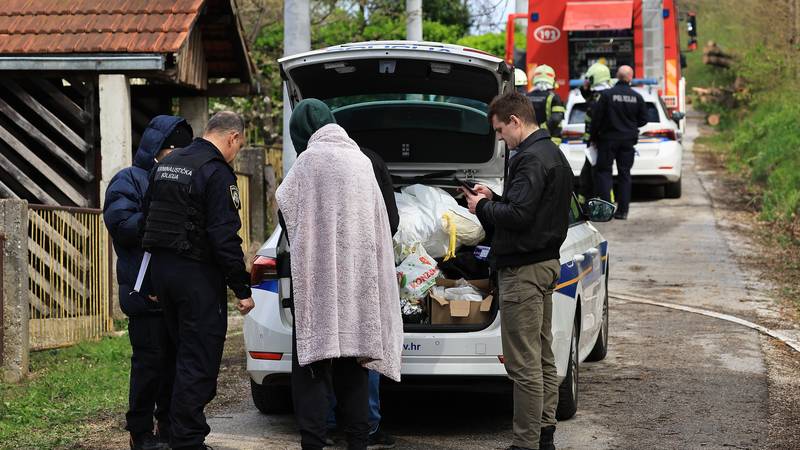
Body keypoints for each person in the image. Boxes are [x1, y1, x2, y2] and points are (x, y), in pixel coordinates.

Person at [277, 98, 403, 450]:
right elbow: (385, 221)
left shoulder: (307, 162)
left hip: (318, 288)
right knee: (355, 370)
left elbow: (284, 209)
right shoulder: (362, 161)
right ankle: (358, 443)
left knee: (312, 370)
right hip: (359, 286)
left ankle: (314, 443)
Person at [461, 92, 573, 450]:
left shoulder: (529, 159)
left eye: (499, 131)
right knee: (541, 354)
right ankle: (544, 433)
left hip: (523, 272)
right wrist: (495, 196)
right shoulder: (552, 153)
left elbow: (520, 217)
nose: (499, 139)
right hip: (543, 265)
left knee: (522, 364)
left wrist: (481, 208)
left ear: (515, 121)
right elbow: (530, 208)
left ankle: (526, 443)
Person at [141, 111, 255, 450]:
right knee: (198, 359)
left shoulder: (167, 163)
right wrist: (242, 288)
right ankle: (188, 441)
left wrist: (150, 282)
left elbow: (147, 220)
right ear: (233, 137)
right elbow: (224, 236)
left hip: (162, 274)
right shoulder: (216, 172)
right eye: (240, 145)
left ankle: (173, 432)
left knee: (176, 354)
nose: (236, 152)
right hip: (197, 279)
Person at [103, 115, 193, 450]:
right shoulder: (129, 179)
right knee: (148, 368)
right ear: (159, 149)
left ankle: (168, 428)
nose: (177, 159)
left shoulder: (181, 180)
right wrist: (158, 215)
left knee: (174, 367)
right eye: (174, 151)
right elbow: (121, 222)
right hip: (143, 292)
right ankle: (140, 433)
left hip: (173, 293)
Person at [327, 144, 399, 449]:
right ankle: (368, 426)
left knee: (328, 348)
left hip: (326, 273)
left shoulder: (315, 162)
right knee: (366, 346)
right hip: (364, 271)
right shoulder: (372, 160)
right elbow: (390, 220)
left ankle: (326, 425)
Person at [591, 65, 649, 220]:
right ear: (630, 77)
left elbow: (597, 119)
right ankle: (623, 211)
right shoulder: (636, 96)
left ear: (617, 76)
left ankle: (606, 211)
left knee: (604, 173)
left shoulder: (607, 95)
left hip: (607, 140)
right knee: (624, 175)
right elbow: (644, 119)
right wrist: (630, 125)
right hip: (627, 141)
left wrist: (593, 137)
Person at [578, 62, 614, 204]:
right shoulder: (600, 95)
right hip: (596, 141)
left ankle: (597, 202)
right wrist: (585, 86)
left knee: (594, 173)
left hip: (597, 141)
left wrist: (593, 138)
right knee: (593, 173)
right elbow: (586, 95)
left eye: (589, 79)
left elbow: (596, 119)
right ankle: (596, 200)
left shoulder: (600, 98)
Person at [526, 65, 565, 145]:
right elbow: (556, 118)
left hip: (530, 140)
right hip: (551, 140)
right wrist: (541, 130)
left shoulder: (526, 97)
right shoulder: (554, 97)